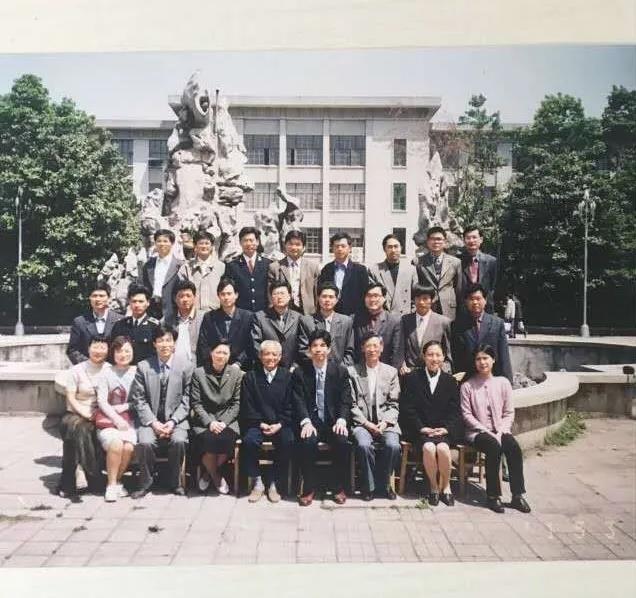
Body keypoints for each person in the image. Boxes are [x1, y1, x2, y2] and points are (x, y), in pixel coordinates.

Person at [460, 345, 531, 514]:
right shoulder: (467, 386)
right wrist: (485, 430)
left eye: (485, 358)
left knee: (513, 448)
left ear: (493, 360)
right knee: (493, 447)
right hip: (477, 432)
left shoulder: (503, 383)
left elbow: (509, 412)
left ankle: (517, 495)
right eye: (478, 359)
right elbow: (466, 414)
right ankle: (493, 496)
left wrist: (501, 431)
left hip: (500, 429)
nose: (482, 362)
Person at [129, 326, 193, 498]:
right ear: (154, 344)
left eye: (168, 340)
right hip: (150, 420)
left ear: (174, 343)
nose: (165, 344)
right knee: (145, 442)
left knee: (179, 441)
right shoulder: (144, 366)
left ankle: (175, 482)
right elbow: (139, 399)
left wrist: (173, 421)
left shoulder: (186, 366)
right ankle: (145, 483)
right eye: (160, 341)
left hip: (176, 420)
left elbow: (188, 399)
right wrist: (153, 422)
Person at [292, 330, 352, 506]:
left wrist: (341, 420)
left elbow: (346, 399)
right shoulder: (300, 372)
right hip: (311, 422)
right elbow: (298, 400)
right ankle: (309, 488)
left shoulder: (340, 371)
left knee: (342, 440)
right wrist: (305, 421)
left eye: (323, 345)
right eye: (314, 346)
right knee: (307, 441)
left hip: (333, 421)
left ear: (329, 349)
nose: (319, 349)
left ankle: (337, 487)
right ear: (309, 350)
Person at [401, 340, 462, 506]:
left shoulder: (450, 381)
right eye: (430, 355)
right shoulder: (412, 379)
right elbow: (407, 409)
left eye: (438, 355)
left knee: (442, 448)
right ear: (424, 357)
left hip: (442, 430)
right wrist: (421, 428)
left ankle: (446, 487)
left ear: (443, 357)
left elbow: (455, 411)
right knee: (428, 447)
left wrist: (446, 429)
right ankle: (434, 488)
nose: (434, 359)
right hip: (420, 431)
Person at [348, 331, 401, 501]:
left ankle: (384, 484)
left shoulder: (391, 372)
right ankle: (369, 487)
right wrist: (366, 424)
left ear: (381, 348)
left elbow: (394, 404)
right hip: (362, 423)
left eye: (375, 346)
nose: (372, 349)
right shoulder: (352, 372)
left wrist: (384, 423)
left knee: (393, 445)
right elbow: (351, 404)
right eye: (368, 346)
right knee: (363, 445)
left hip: (386, 423)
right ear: (362, 348)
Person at [240, 340, 294, 503]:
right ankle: (257, 481)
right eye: (267, 354)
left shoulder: (288, 377)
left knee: (288, 441)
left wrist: (280, 424)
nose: (270, 357)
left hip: (280, 424)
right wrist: (260, 424)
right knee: (249, 441)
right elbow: (247, 406)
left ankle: (273, 483)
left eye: (274, 354)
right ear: (260, 356)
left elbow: (291, 405)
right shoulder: (250, 377)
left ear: (280, 357)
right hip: (257, 423)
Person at [57, 335, 110, 501]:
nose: (98, 351)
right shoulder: (77, 370)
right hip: (75, 412)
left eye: (102, 347)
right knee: (77, 427)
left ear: (108, 350)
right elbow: (70, 398)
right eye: (95, 346)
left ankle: (71, 479)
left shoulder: (110, 370)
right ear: (88, 348)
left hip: (99, 414)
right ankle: (88, 473)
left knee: (77, 433)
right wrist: (84, 413)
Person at [190, 340, 243, 495]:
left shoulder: (236, 373)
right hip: (205, 419)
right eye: (218, 352)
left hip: (228, 420)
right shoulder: (199, 373)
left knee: (226, 439)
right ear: (211, 353)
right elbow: (196, 403)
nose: (221, 356)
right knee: (208, 440)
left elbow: (237, 403)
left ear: (229, 356)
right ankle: (216, 477)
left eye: (225, 353)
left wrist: (223, 422)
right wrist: (210, 422)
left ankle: (208, 473)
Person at [95, 336, 137, 502]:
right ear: (113, 353)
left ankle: (117, 480)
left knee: (128, 447)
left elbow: (140, 400)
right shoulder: (106, 372)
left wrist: (124, 407)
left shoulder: (137, 372)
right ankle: (111, 485)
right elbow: (102, 401)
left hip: (129, 420)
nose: (123, 354)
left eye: (127, 351)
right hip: (108, 420)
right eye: (119, 351)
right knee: (116, 444)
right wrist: (116, 419)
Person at [452, 284, 513, 383]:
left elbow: (504, 355)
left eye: (478, 298)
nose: (475, 302)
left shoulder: (497, 323)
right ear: (466, 302)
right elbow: (456, 356)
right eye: (471, 299)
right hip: (469, 380)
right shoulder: (458, 325)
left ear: (485, 300)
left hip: (493, 378)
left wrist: (508, 381)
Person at [397, 285, 453, 375]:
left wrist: (444, 370)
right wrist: (402, 365)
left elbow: (448, 353)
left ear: (432, 300)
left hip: (435, 372)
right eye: (418, 298)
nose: (421, 302)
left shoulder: (443, 322)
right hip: (411, 373)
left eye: (425, 298)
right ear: (413, 300)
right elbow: (400, 348)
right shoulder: (405, 320)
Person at [297, 282, 354, 367]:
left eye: (331, 297)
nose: (327, 300)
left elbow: (349, 351)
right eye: (324, 296)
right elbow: (303, 350)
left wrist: (339, 370)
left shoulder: (346, 321)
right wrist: (318, 367)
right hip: (314, 369)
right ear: (318, 298)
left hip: (339, 370)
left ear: (337, 299)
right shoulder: (307, 321)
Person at [414, 226, 463, 321]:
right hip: (427, 306)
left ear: (445, 242)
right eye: (432, 239)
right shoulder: (418, 262)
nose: (436, 242)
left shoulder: (455, 262)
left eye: (439, 239)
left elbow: (458, 288)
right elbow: (416, 287)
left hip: (449, 307)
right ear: (428, 242)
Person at [67, 281, 123, 364]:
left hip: (114, 368)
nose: (98, 299)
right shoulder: (79, 322)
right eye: (94, 296)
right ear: (89, 298)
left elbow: (125, 348)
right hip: (87, 368)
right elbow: (72, 350)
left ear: (109, 298)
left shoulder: (120, 320)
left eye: (101, 296)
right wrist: (90, 365)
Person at [268, 230, 320, 315]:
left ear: (304, 247)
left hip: (307, 313)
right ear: (285, 245)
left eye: (298, 244)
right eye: (290, 244)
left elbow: (317, 293)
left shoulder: (313, 267)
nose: (294, 247)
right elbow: (270, 293)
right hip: (283, 312)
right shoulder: (275, 267)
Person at [251, 281, 301, 369]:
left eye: (282, 293)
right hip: (267, 368)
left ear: (289, 296)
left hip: (292, 369)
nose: (279, 297)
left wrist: (295, 366)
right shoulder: (259, 317)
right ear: (271, 298)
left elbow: (302, 345)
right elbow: (256, 345)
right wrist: (269, 363)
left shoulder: (299, 318)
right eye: (275, 294)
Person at [317, 232, 369, 316]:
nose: (340, 249)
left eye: (343, 246)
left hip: (353, 316)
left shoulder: (360, 270)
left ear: (350, 248)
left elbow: (364, 296)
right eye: (336, 246)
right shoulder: (326, 269)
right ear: (332, 248)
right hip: (330, 315)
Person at [353, 282, 401, 368]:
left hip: (385, 370)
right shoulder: (356, 320)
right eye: (369, 296)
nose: (372, 299)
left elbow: (397, 354)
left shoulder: (394, 321)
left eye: (376, 296)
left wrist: (391, 373)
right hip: (361, 370)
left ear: (384, 298)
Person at [368, 233, 418, 317]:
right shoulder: (374, 270)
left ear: (401, 248)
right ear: (384, 249)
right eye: (390, 247)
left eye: (396, 246)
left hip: (405, 317)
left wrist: (411, 314)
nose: (393, 250)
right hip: (383, 318)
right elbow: (372, 298)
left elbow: (416, 296)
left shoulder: (411, 270)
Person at [140, 229, 184, 321]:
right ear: (155, 243)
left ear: (172, 243)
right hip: (150, 309)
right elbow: (142, 287)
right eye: (159, 241)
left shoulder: (180, 265)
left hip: (172, 310)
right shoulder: (148, 265)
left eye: (165, 241)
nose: (162, 244)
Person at [225, 226, 271, 312]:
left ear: (257, 242)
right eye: (245, 240)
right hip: (241, 314)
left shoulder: (267, 264)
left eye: (251, 240)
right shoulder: (232, 266)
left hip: (263, 313)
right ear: (240, 243)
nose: (249, 243)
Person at [111, 285, 160, 365]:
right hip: (123, 368)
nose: (137, 305)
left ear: (148, 303)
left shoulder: (155, 326)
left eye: (141, 301)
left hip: (146, 370)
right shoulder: (120, 325)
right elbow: (113, 351)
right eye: (134, 301)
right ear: (129, 303)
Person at [178, 231, 226, 312]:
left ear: (212, 246)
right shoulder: (186, 268)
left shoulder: (221, 267)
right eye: (201, 243)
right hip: (193, 313)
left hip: (216, 313)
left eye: (207, 243)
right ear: (195, 246)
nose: (204, 246)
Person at [163, 279, 204, 370]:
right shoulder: (167, 321)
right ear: (175, 299)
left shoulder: (204, 318)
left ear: (194, 297)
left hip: (198, 367)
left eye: (188, 296)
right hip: (173, 367)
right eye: (181, 296)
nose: (185, 299)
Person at [459, 226, 498, 314]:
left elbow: (493, 286)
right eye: (468, 238)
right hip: (463, 309)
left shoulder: (491, 261)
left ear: (481, 239)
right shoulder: (457, 261)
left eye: (474, 237)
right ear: (464, 241)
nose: (471, 241)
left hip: (485, 308)